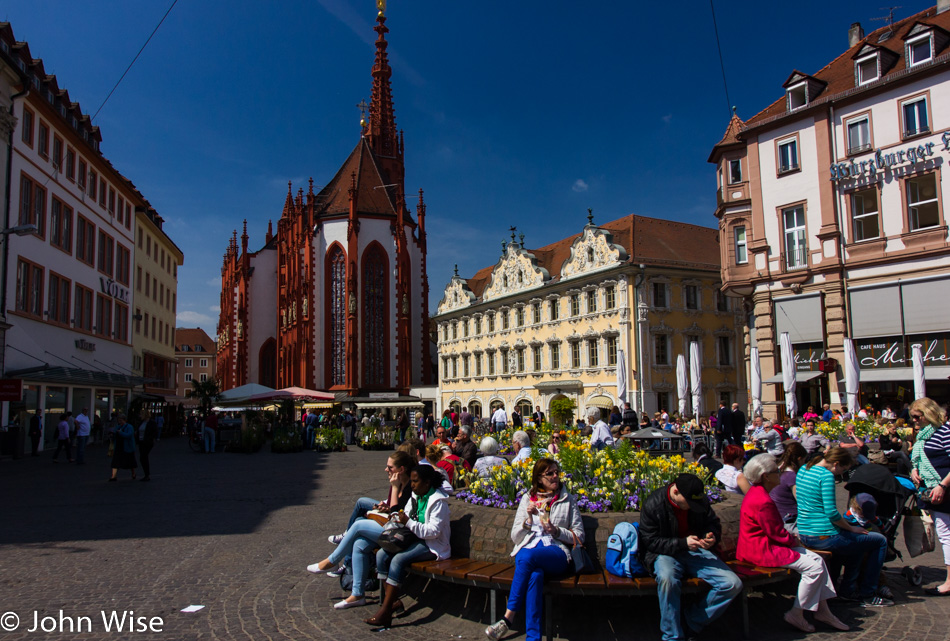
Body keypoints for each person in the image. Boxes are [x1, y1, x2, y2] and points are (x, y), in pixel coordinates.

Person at [737, 454, 848, 632]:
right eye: (776, 471)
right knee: (814, 567)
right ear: (766, 476)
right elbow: (776, 533)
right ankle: (797, 613)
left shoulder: (757, 493)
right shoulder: (762, 500)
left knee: (818, 560)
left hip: (760, 545)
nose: (780, 474)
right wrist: (793, 540)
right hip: (762, 550)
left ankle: (823, 611)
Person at [485, 459, 584, 641]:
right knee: (535, 576)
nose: (555, 476)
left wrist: (556, 531)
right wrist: (528, 520)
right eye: (550, 473)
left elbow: (579, 535)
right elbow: (516, 537)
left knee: (527, 556)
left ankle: (508, 618)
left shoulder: (567, 499)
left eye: (556, 472)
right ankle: (533, 637)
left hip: (556, 552)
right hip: (530, 548)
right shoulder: (526, 499)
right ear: (539, 478)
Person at [638, 473, 742, 641]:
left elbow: (712, 523)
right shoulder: (654, 504)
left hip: (695, 550)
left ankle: (693, 620)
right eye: (690, 503)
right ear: (676, 492)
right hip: (665, 553)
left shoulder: (698, 501)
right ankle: (672, 635)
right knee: (667, 579)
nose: (694, 507)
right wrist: (681, 544)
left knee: (732, 584)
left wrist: (711, 536)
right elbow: (650, 542)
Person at [308, 452, 416, 607]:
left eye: (390, 467)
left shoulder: (407, 487)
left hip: (402, 535)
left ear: (401, 469)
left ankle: (332, 561)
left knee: (358, 524)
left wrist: (393, 488)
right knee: (359, 543)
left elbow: (396, 516)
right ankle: (357, 594)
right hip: (392, 529)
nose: (386, 470)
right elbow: (393, 512)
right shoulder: (398, 482)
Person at [796, 447, 892, 606]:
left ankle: (847, 589)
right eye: (842, 470)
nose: (840, 474)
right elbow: (832, 513)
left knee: (858, 544)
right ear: (836, 464)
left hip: (805, 531)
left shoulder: (803, 469)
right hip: (823, 535)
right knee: (879, 540)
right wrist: (850, 527)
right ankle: (868, 593)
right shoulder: (826, 476)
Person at [364, 464, 451, 627]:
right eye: (411, 481)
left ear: (427, 483)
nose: (412, 485)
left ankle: (386, 610)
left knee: (398, 560)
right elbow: (407, 517)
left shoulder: (438, 502)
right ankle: (393, 601)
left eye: (415, 482)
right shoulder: (415, 496)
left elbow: (433, 532)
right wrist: (396, 517)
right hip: (414, 538)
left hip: (432, 544)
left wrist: (409, 522)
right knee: (382, 554)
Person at [908, 398, 950, 596]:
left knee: (946, 535)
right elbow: (918, 457)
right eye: (912, 417)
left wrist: (942, 485)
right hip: (933, 488)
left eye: (917, 416)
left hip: (943, 489)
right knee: (945, 534)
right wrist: (915, 469)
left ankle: (949, 582)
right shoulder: (923, 436)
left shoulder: (943, 432)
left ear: (928, 414)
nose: (914, 421)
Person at [771, 441, 807, 529]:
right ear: (799, 459)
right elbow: (801, 501)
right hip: (789, 518)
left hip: (776, 513)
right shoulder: (791, 476)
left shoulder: (778, 469)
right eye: (803, 461)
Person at [108, 414, 137, 481]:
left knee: (130, 462)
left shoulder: (129, 427)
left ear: (124, 420)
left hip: (127, 447)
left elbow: (129, 435)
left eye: (121, 420)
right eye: (118, 420)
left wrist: (121, 433)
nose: (119, 422)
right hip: (118, 447)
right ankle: (113, 476)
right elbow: (115, 434)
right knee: (115, 461)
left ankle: (133, 473)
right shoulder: (118, 427)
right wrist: (112, 434)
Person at [138, 411, 158, 482]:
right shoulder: (141, 422)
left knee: (143, 457)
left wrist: (150, 438)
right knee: (142, 458)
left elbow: (155, 432)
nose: (140, 416)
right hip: (141, 441)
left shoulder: (151, 423)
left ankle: (147, 475)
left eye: (141, 414)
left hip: (147, 442)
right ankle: (146, 474)